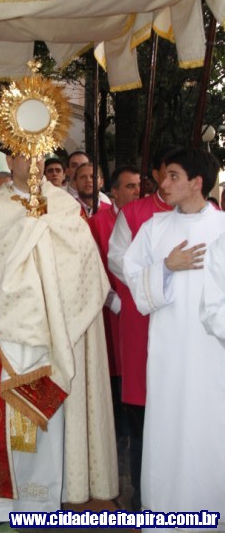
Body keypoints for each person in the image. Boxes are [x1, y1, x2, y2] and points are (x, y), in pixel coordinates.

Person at [0, 154, 118, 523]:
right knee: (3, 418)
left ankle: (47, 501)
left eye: (40, 152)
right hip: (2, 331)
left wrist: (41, 235)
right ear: (10, 158)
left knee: (52, 425)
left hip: (56, 332)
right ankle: (0, 504)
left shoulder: (65, 207)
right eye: (25, 153)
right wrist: (28, 231)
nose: (34, 161)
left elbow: (85, 266)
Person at [123, 148, 225, 528]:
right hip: (169, 350)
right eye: (165, 176)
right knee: (168, 427)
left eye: (173, 176)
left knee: (211, 429)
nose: (163, 183)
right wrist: (166, 267)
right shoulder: (155, 229)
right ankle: (167, 513)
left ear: (197, 182)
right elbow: (134, 278)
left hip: (214, 353)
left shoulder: (223, 227)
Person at [108, 148, 173, 511]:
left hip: (182, 329)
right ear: (157, 174)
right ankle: (142, 496)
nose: (170, 181)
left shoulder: (203, 217)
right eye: (167, 173)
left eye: (178, 175)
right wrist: (156, 279)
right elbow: (117, 259)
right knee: (141, 416)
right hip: (140, 321)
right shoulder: (133, 214)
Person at [88, 165, 140, 431]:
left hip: (141, 310)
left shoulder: (148, 220)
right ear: (114, 192)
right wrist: (116, 303)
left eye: (139, 186)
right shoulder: (97, 223)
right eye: (130, 186)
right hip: (111, 311)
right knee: (114, 377)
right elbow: (92, 270)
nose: (137, 191)